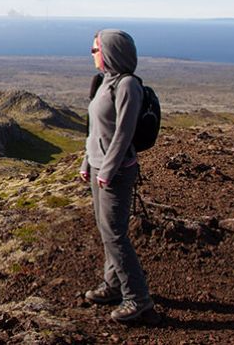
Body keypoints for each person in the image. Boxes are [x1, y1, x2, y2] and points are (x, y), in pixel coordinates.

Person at [79, 29, 154, 322]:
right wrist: (88, 162)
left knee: (115, 235)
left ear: (110, 52)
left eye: (95, 50)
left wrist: (108, 169)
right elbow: (95, 131)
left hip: (116, 172)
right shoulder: (103, 82)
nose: (92, 54)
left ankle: (138, 299)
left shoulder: (127, 86)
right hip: (99, 168)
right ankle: (112, 285)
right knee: (106, 231)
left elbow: (123, 134)